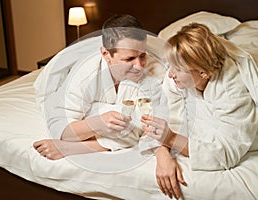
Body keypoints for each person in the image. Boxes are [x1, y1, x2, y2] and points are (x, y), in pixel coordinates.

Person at [141, 22, 258, 199]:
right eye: (171, 66)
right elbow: (161, 118)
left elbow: (226, 153)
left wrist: (171, 139)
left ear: (203, 73)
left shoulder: (232, 89)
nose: (170, 74)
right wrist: (162, 153)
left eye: (177, 69)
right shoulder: (178, 74)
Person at [33, 15, 163, 160]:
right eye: (129, 59)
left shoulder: (153, 71)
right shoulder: (85, 74)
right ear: (106, 54)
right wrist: (96, 123)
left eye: (143, 55)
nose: (139, 66)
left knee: (133, 121)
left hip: (99, 128)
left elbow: (149, 126)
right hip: (76, 100)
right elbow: (61, 128)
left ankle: (71, 148)